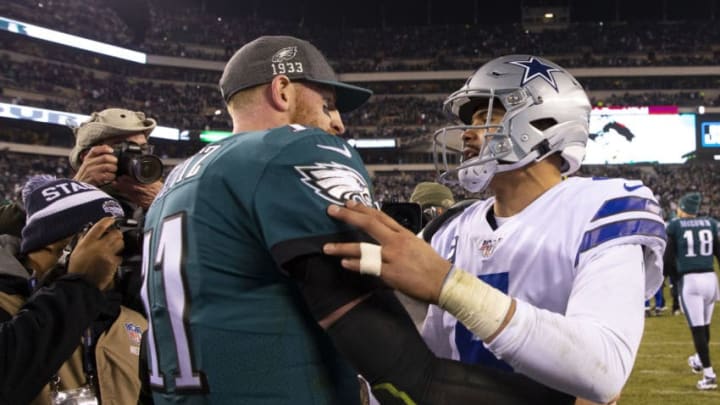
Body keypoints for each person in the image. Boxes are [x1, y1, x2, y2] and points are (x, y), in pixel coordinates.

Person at [141, 37, 574, 404]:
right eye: (328, 104)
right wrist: (564, 398)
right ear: (283, 90)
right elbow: (407, 376)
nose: (339, 123)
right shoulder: (292, 150)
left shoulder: (178, 182)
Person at [323, 54, 667, 404]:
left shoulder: (601, 208)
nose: (468, 135)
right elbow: (425, 364)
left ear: (543, 120)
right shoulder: (448, 230)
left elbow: (603, 370)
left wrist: (448, 285)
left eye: (488, 116)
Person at [0, 175, 146, 404]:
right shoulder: (5, 305)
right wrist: (82, 284)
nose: (117, 243)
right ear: (51, 240)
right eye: (103, 233)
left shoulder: (134, 322)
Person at [664, 192, 719, 390]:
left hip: (691, 280)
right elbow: (718, 252)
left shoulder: (675, 225)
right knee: (704, 327)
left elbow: (668, 260)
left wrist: (671, 279)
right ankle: (698, 360)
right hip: (711, 279)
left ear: (683, 208)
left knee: (697, 330)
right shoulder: (711, 223)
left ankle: (709, 375)